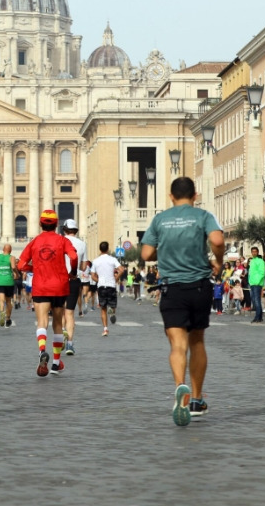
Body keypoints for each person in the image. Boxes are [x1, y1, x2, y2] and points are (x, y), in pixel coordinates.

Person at [139, 176, 224, 427]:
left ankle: (180, 387)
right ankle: (196, 400)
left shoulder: (160, 219)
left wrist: (163, 249)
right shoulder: (203, 216)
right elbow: (217, 240)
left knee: (177, 345)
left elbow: (146, 253)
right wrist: (218, 260)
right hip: (199, 286)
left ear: (171, 196)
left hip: (171, 288)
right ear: (195, 195)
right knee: (197, 341)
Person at [17, 210, 77, 377]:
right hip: (59, 285)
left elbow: (20, 265)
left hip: (41, 285)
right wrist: (72, 272)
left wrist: (33, 267)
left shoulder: (34, 242)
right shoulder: (62, 240)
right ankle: (56, 364)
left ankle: (42, 350)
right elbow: (73, 257)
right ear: (56, 224)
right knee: (57, 323)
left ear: (40, 224)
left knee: (42, 321)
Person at [61, 220, 87, 355]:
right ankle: (70, 344)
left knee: (59, 310)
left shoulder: (59, 241)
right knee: (70, 312)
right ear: (76, 230)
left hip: (59, 280)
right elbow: (83, 267)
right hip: (73, 280)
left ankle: (61, 334)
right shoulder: (82, 244)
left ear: (64, 229)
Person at [92, 242, 123, 336]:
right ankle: (112, 312)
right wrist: (116, 278)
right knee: (113, 305)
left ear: (100, 249)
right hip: (111, 285)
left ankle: (105, 329)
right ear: (108, 249)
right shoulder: (112, 259)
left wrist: (99, 281)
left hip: (101, 286)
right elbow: (121, 269)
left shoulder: (95, 261)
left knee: (103, 308)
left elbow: (93, 276)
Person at [0, 244, 16, 327]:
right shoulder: (11, 257)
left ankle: (2, 312)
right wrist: (16, 273)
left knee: (1, 300)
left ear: (3, 249)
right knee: (8, 301)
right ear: (10, 250)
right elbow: (13, 267)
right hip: (9, 281)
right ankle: (8, 318)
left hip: (0, 281)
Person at [246, 247, 265, 323]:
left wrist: (257, 281)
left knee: (256, 300)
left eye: (255, 251)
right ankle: (260, 317)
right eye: (252, 251)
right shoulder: (252, 261)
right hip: (252, 283)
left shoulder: (260, 261)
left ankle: (257, 317)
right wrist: (250, 281)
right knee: (254, 300)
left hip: (257, 283)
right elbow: (250, 272)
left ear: (257, 252)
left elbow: (262, 272)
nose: (254, 253)